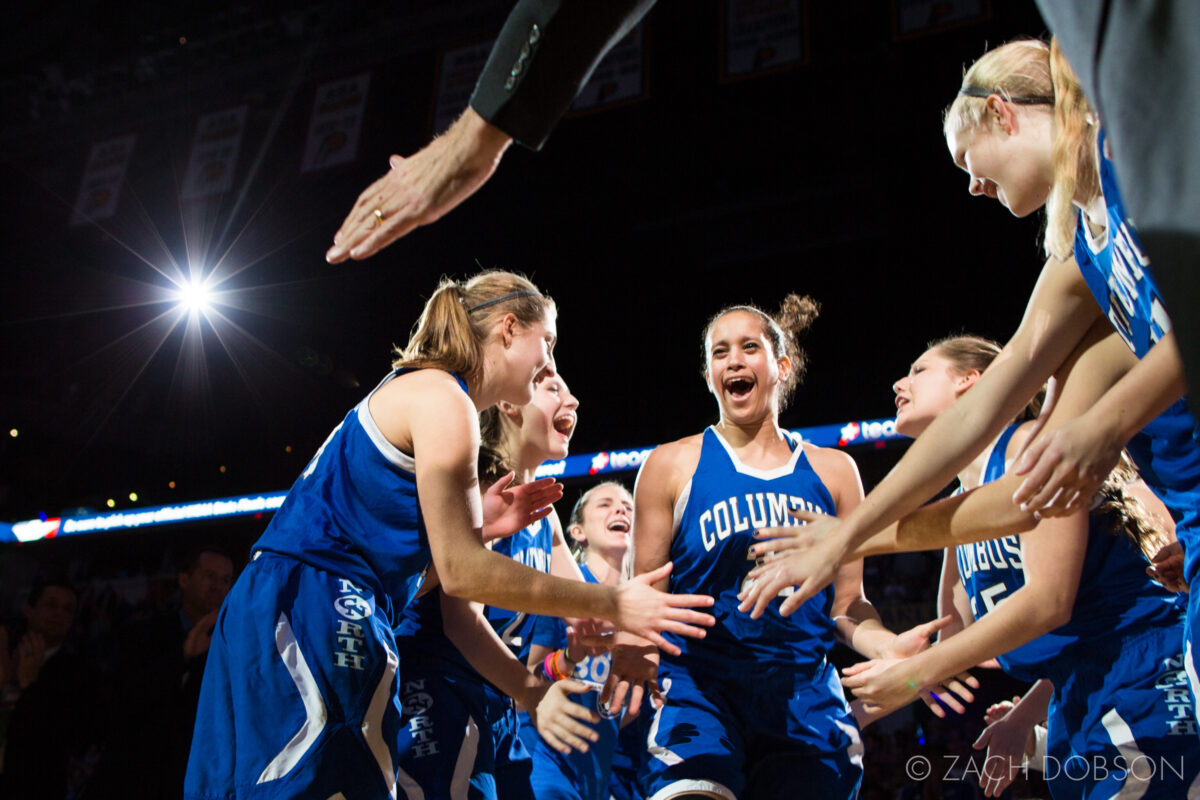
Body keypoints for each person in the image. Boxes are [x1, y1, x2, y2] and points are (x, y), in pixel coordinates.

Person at [183, 270, 714, 800]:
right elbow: (464, 576)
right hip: (321, 604)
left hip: (301, 597)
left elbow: (426, 567)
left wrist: (487, 536)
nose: (551, 363)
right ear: (509, 330)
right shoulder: (444, 396)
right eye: (546, 343)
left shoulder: (427, 393)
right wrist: (614, 602)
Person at [738, 41, 1200, 650]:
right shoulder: (1081, 252)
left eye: (966, 161)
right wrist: (851, 533)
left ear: (1002, 115)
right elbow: (992, 441)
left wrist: (1105, 427)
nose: (974, 187)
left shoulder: (1132, 157)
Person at [614, 296, 972, 800]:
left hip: (804, 697)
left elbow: (847, 604)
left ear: (781, 367)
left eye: (748, 347)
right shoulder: (671, 465)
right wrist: (636, 648)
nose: (733, 360)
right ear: (709, 374)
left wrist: (884, 645)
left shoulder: (834, 471)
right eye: (720, 352)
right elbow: (643, 593)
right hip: (701, 689)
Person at [841, 335, 1198, 798]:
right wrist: (878, 683)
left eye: (918, 371)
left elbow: (1051, 603)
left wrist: (916, 673)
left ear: (971, 382)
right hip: (1078, 692)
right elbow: (954, 646)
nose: (899, 383)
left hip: (1144, 671)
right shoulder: (958, 511)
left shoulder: (1027, 447)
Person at [391, 368, 596, 798]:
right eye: (555, 387)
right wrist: (533, 693)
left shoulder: (547, 515)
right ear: (508, 403)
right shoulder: (477, 488)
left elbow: (590, 608)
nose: (573, 400)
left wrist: (623, 634)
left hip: (494, 702)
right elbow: (460, 624)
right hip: (434, 689)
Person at [520, 481, 638, 800]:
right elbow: (529, 680)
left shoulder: (648, 603)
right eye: (605, 504)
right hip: (546, 760)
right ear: (577, 532)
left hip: (604, 773)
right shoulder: (564, 590)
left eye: (628, 505)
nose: (621, 509)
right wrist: (567, 660)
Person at [91, 547, 235, 799]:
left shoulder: (236, 643)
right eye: (210, 576)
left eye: (225, 580)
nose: (218, 586)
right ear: (184, 580)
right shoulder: (140, 632)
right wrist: (183, 657)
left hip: (199, 782)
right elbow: (121, 700)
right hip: (135, 777)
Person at [0, 579, 99, 800]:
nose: (58, 614)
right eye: (51, 605)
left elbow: (68, 739)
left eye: (67, 609)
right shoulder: (6, 657)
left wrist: (31, 688)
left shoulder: (81, 675)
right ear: (29, 610)